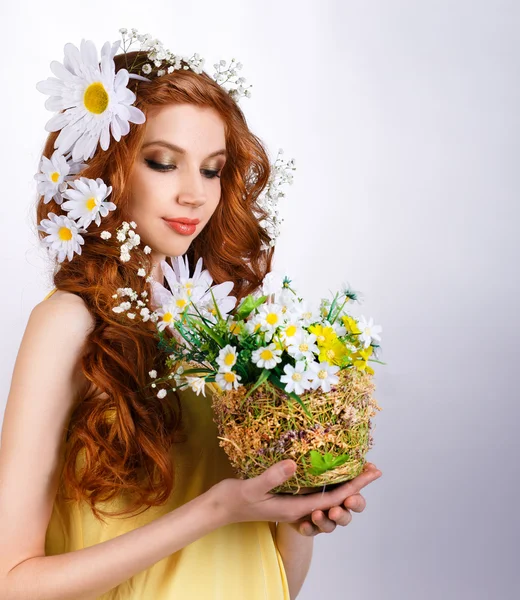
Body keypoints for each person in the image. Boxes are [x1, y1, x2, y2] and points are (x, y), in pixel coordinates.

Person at [0, 31, 382, 599]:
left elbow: (279, 583)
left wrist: (299, 511)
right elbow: (13, 582)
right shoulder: (70, 322)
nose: (194, 194)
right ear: (107, 170)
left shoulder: (234, 328)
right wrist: (216, 510)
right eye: (162, 163)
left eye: (211, 170)